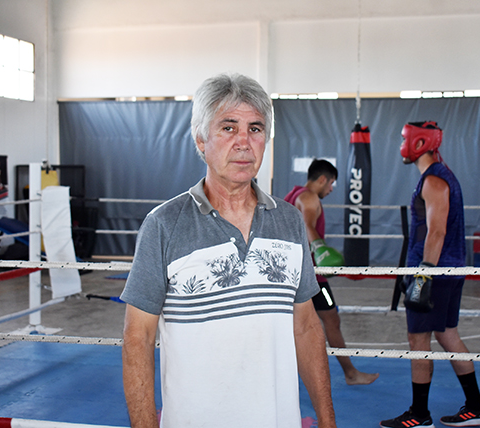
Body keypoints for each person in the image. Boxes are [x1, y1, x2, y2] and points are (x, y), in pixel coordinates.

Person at [120, 73, 337, 428]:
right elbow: (137, 339)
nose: (244, 142)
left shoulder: (289, 222)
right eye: (228, 127)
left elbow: (306, 328)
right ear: (200, 139)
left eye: (255, 129)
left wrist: (328, 422)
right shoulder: (164, 225)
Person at [380, 122, 480, 428]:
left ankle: (419, 415)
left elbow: (437, 230)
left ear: (418, 143)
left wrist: (424, 276)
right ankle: (477, 406)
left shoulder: (433, 180)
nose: (401, 144)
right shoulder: (439, 175)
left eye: (404, 139)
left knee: (418, 340)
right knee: (447, 335)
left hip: (436, 271)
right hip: (447, 270)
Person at [284, 158, 379, 386]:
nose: (331, 188)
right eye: (331, 183)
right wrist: (320, 248)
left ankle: (282, 379)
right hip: (313, 278)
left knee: (293, 326)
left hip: (292, 274)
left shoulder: (292, 194)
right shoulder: (309, 196)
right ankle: (351, 374)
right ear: (323, 179)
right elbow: (307, 224)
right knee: (331, 321)